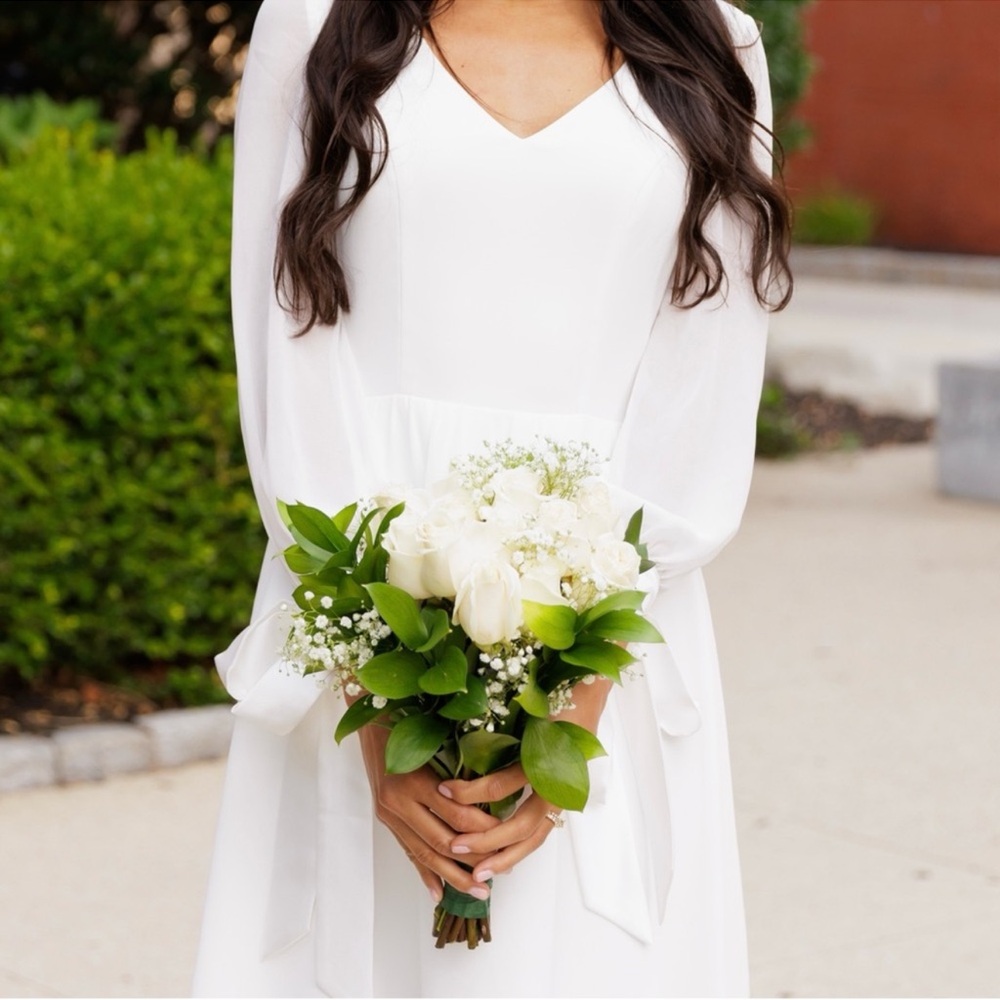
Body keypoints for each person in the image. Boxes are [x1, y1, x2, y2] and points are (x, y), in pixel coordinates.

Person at [192, 0, 792, 995]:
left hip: (616, 623)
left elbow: (706, 371)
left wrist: (577, 694)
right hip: (360, 608)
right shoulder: (311, 22)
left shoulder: (714, 41)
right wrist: (375, 691)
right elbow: (288, 353)